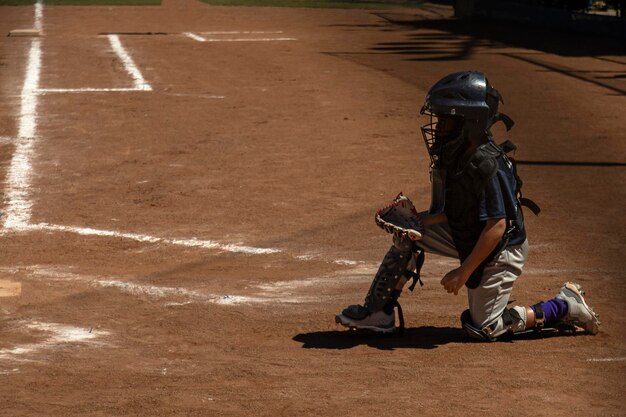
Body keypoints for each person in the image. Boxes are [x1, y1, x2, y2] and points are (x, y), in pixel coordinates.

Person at [335, 70, 600, 341]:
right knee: (408, 235)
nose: (437, 128)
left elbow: (496, 228)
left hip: (500, 249)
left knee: (485, 327)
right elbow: (454, 211)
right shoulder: (456, 155)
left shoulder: (488, 167)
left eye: (445, 121)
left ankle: (565, 305)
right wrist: (418, 222)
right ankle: (379, 312)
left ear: (468, 123)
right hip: (470, 233)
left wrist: (464, 272)